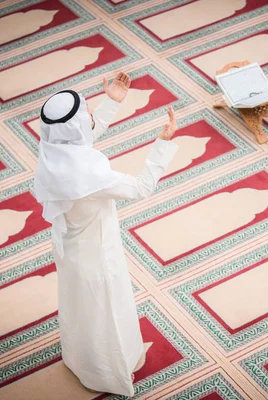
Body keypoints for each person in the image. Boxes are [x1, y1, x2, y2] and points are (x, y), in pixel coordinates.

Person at [33, 72, 179, 397]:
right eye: (86, 112)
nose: (88, 116)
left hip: (70, 252)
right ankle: (109, 373)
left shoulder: (52, 154)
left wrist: (110, 103)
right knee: (108, 314)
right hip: (99, 258)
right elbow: (141, 188)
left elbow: (81, 136)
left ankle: (81, 362)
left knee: (81, 311)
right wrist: (163, 143)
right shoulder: (90, 175)